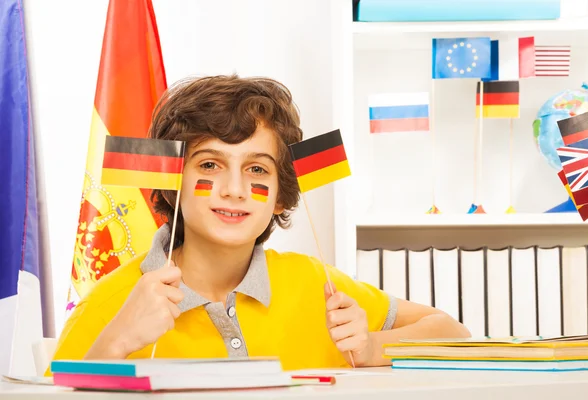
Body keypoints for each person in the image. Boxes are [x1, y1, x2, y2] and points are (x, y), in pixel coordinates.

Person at [50, 75, 470, 372]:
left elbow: (454, 334)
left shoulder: (315, 284)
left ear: (280, 195)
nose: (234, 189)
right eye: (210, 165)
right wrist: (115, 344)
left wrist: (371, 345)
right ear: (170, 181)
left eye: (257, 170)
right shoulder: (109, 306)